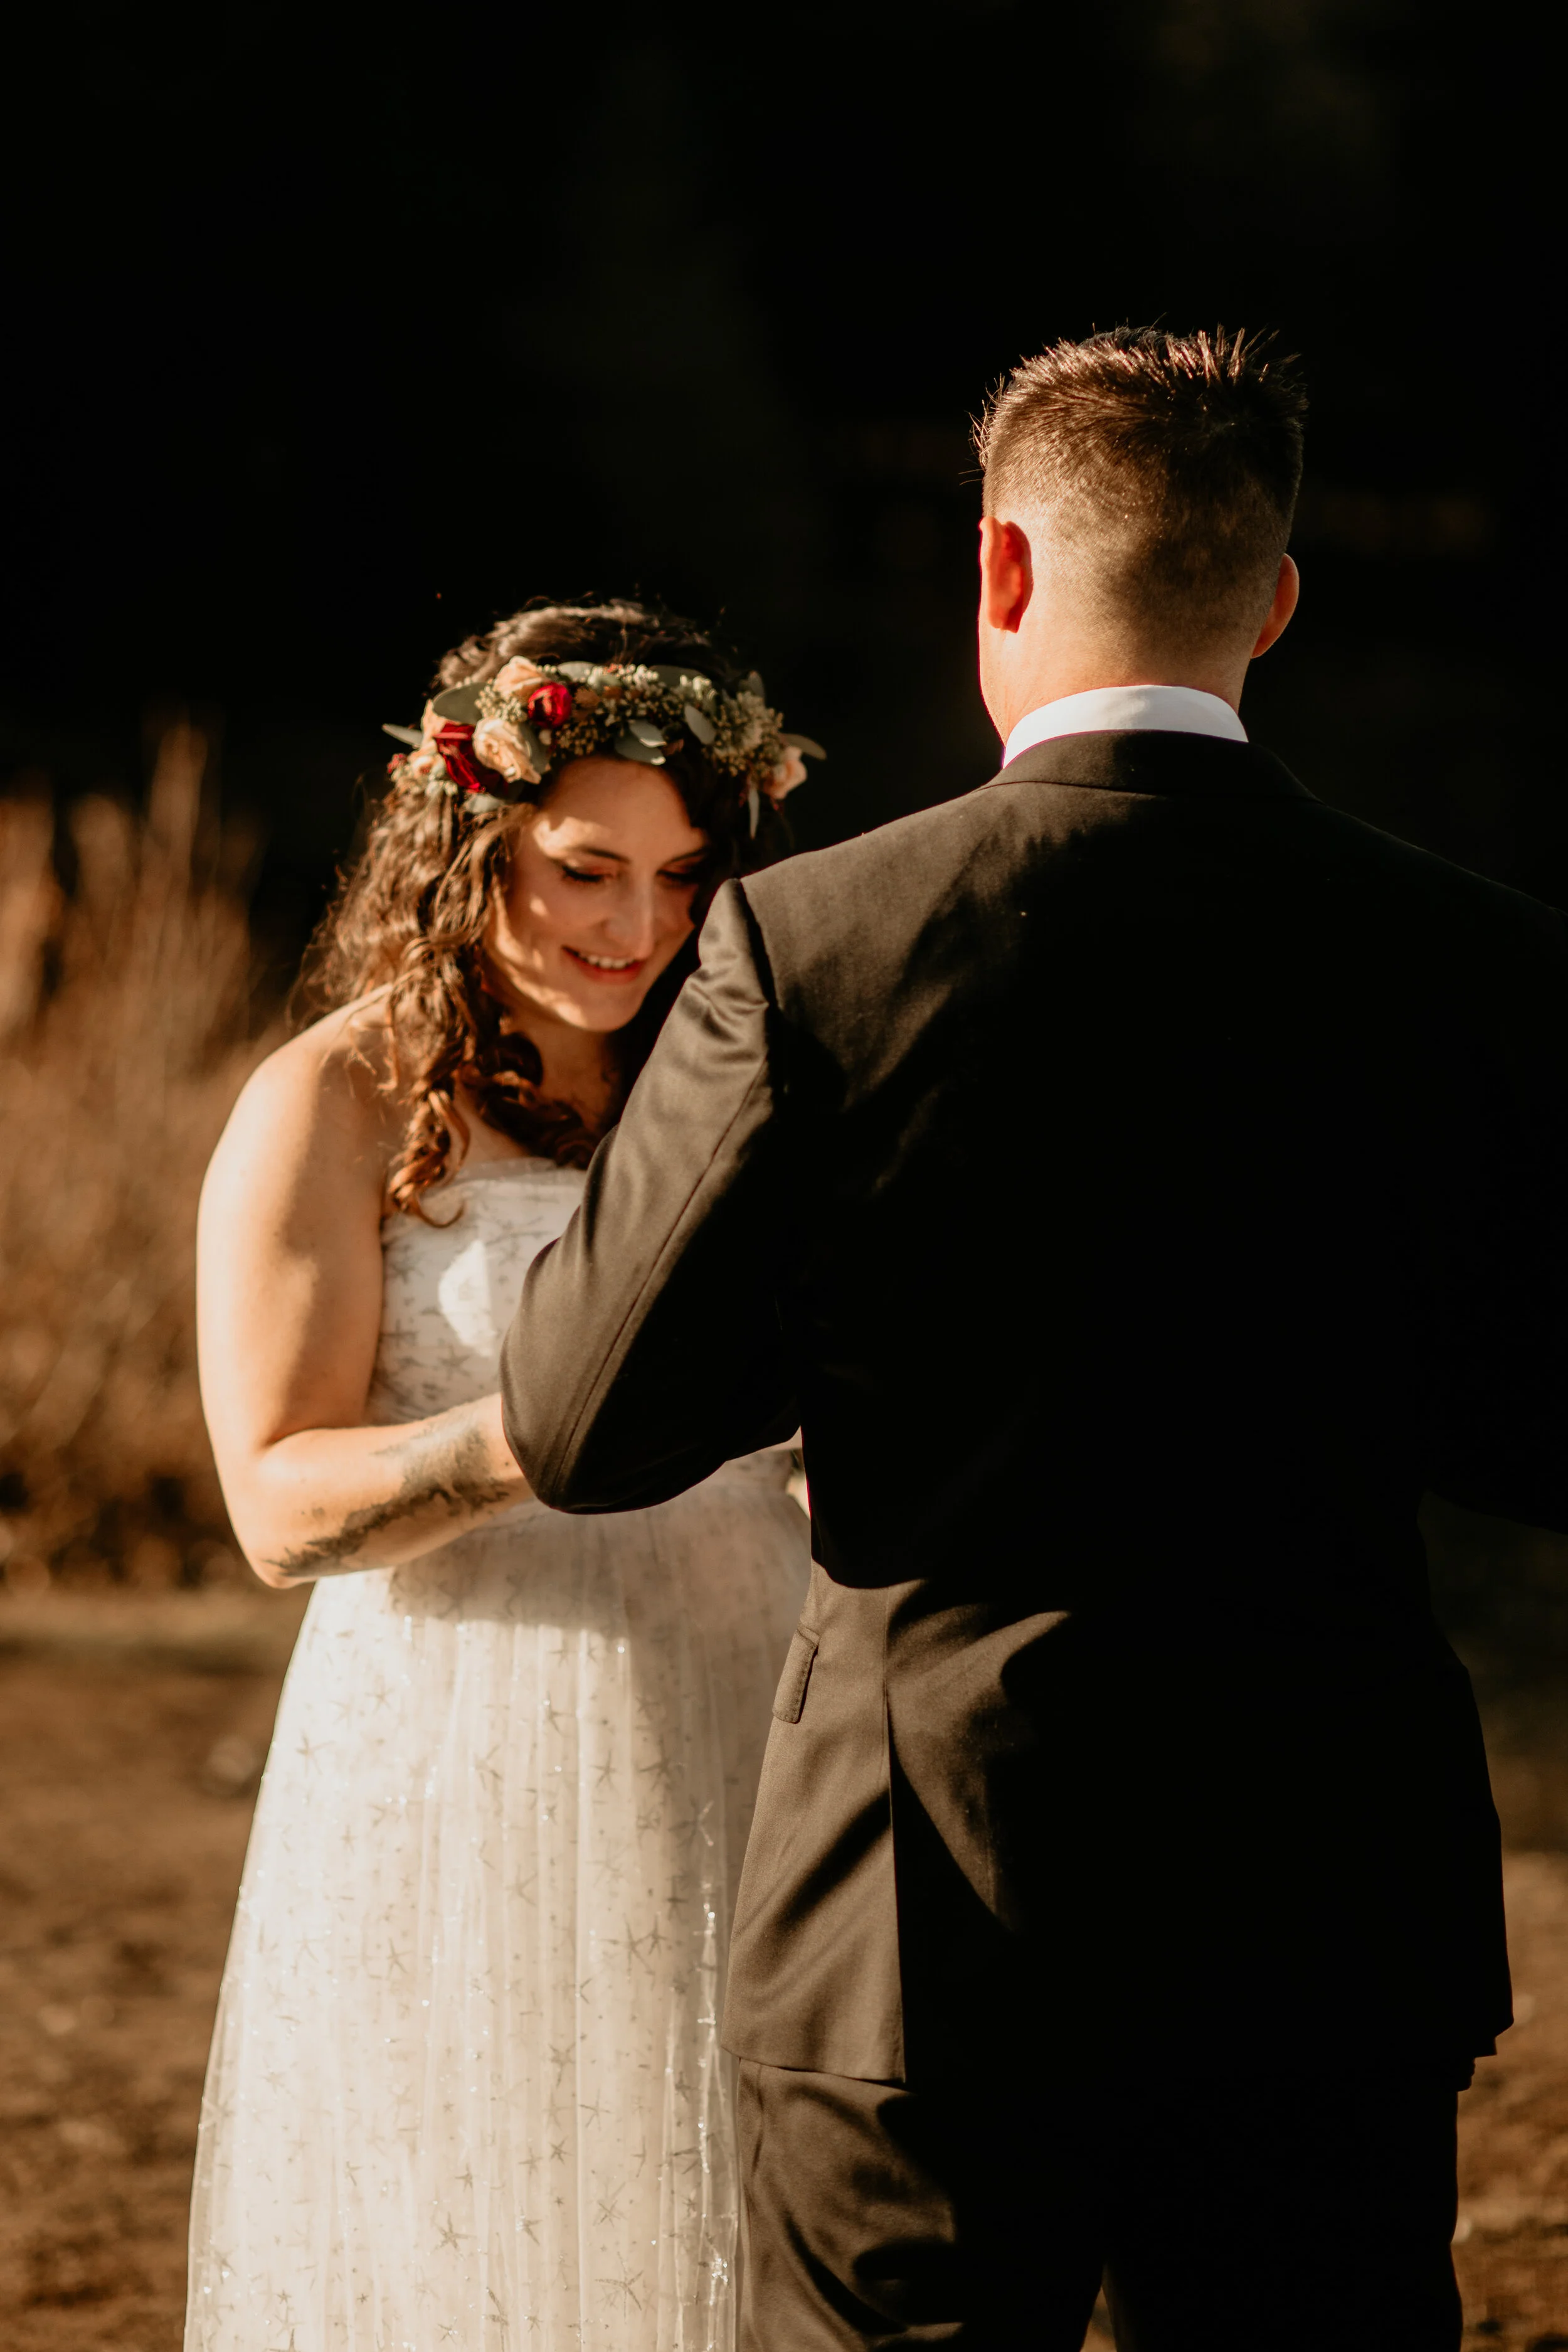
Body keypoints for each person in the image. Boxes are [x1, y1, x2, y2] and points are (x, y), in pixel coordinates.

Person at [500, 330, 1568, 2350]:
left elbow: (583, 1421)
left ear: (996, 571)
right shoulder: (1488, 959)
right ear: (1270, 598)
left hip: (927, 1888)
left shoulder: (811, 943)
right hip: (1322, 1885)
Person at [186, 599, 815, 2351]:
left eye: (684, 877)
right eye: (584, 869)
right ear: (470, 839)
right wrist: (534, 1424)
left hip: (747, 1710)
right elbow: (274, 1502)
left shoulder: (744, 1087)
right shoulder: (337, 1099)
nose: (638, 928)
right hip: (457, 1731)